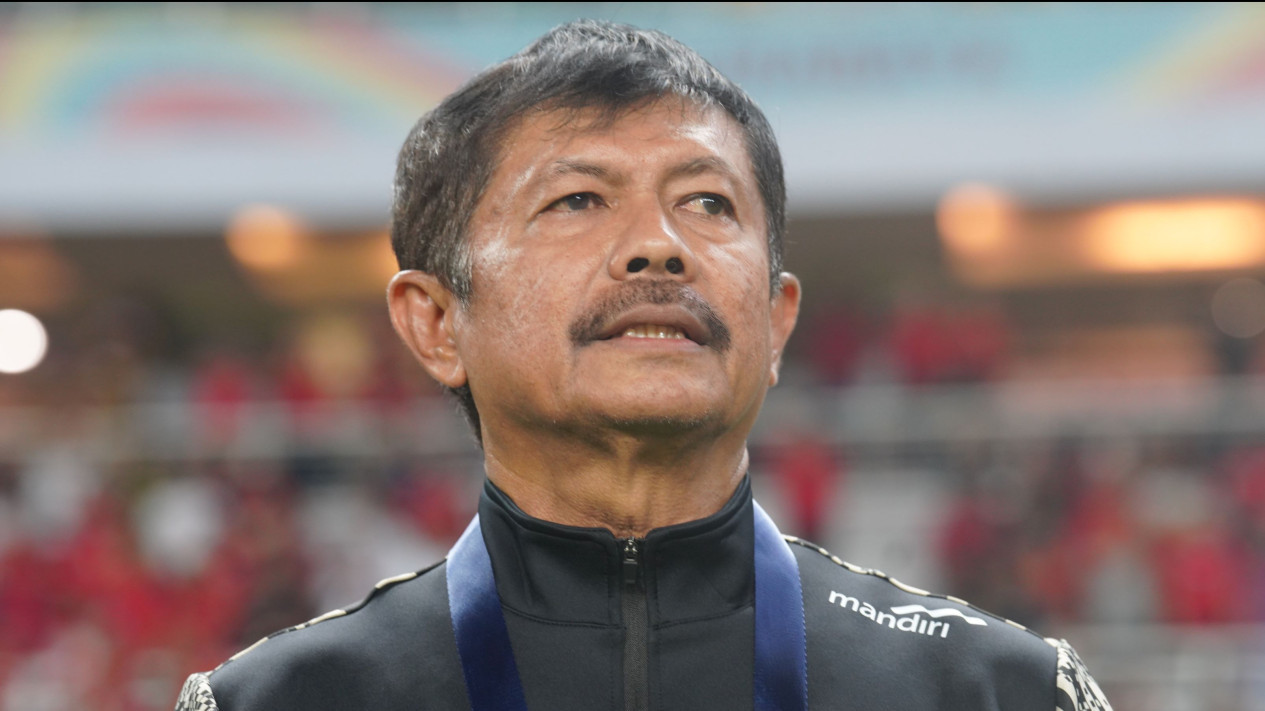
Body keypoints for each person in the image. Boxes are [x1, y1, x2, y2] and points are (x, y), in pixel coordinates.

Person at [175, 19, 1111, 711]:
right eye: (578, 200)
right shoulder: (283, 701)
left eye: (706, 203)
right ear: (436, 323)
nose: (657, 246)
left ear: (776, 320)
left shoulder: (995, 690)